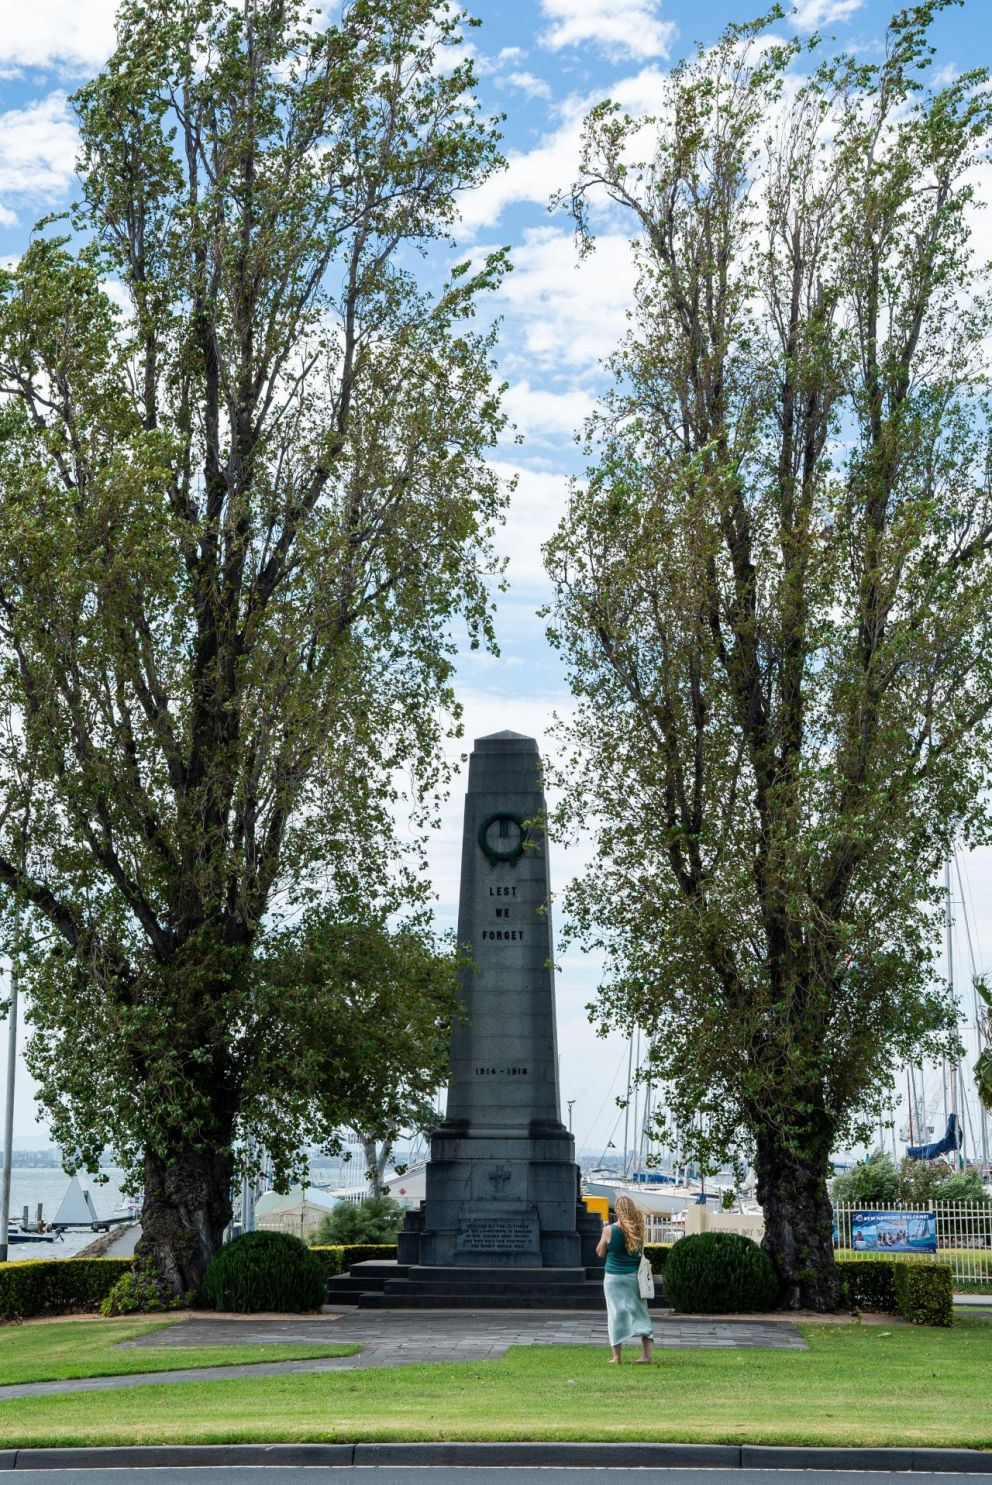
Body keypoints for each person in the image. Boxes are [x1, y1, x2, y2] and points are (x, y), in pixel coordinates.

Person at [597, 1193, 654, 1365]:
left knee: (615, 1314)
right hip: (633, 1279)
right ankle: (646, 1355)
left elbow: (600, 1252)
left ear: (618, 1210)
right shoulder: (638, 1230)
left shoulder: (609, 1230)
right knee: (641, 1313)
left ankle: (616, 1357)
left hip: (613, 1278)